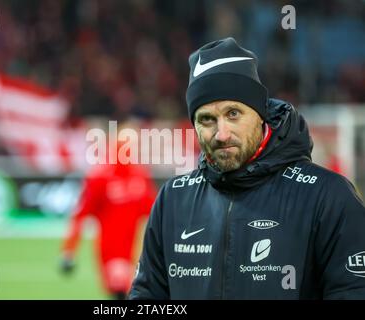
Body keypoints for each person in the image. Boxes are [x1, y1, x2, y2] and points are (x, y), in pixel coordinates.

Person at [128, 37, 365, 299]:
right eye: (207, 119)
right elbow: (147, 295)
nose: (222, 134)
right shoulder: (173, 199)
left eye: (233, 114)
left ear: (260, 115)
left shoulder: (327, 196)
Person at [60, 121, 157, 300]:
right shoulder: (100, 179)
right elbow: (81, 216)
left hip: (133, 255)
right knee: (122, 292)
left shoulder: (140, 177)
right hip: (110, 252)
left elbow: (156, 214)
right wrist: (68, 250)